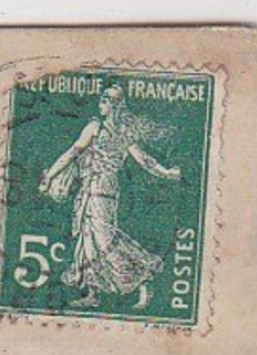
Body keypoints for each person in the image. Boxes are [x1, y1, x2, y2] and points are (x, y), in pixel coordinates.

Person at [39, 84, 181, 309]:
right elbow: (72, 153)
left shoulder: (119, 131)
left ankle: (143, 280)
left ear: (115, 105)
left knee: (105, 240)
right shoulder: (98, 126)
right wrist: (51, 176)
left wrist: (167, 173)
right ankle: (93, 293)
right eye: (101, 99)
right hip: (90, 187)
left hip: (104, 188)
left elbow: (144, 160)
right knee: (87, 239)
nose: (100, 104)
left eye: (105, 100)